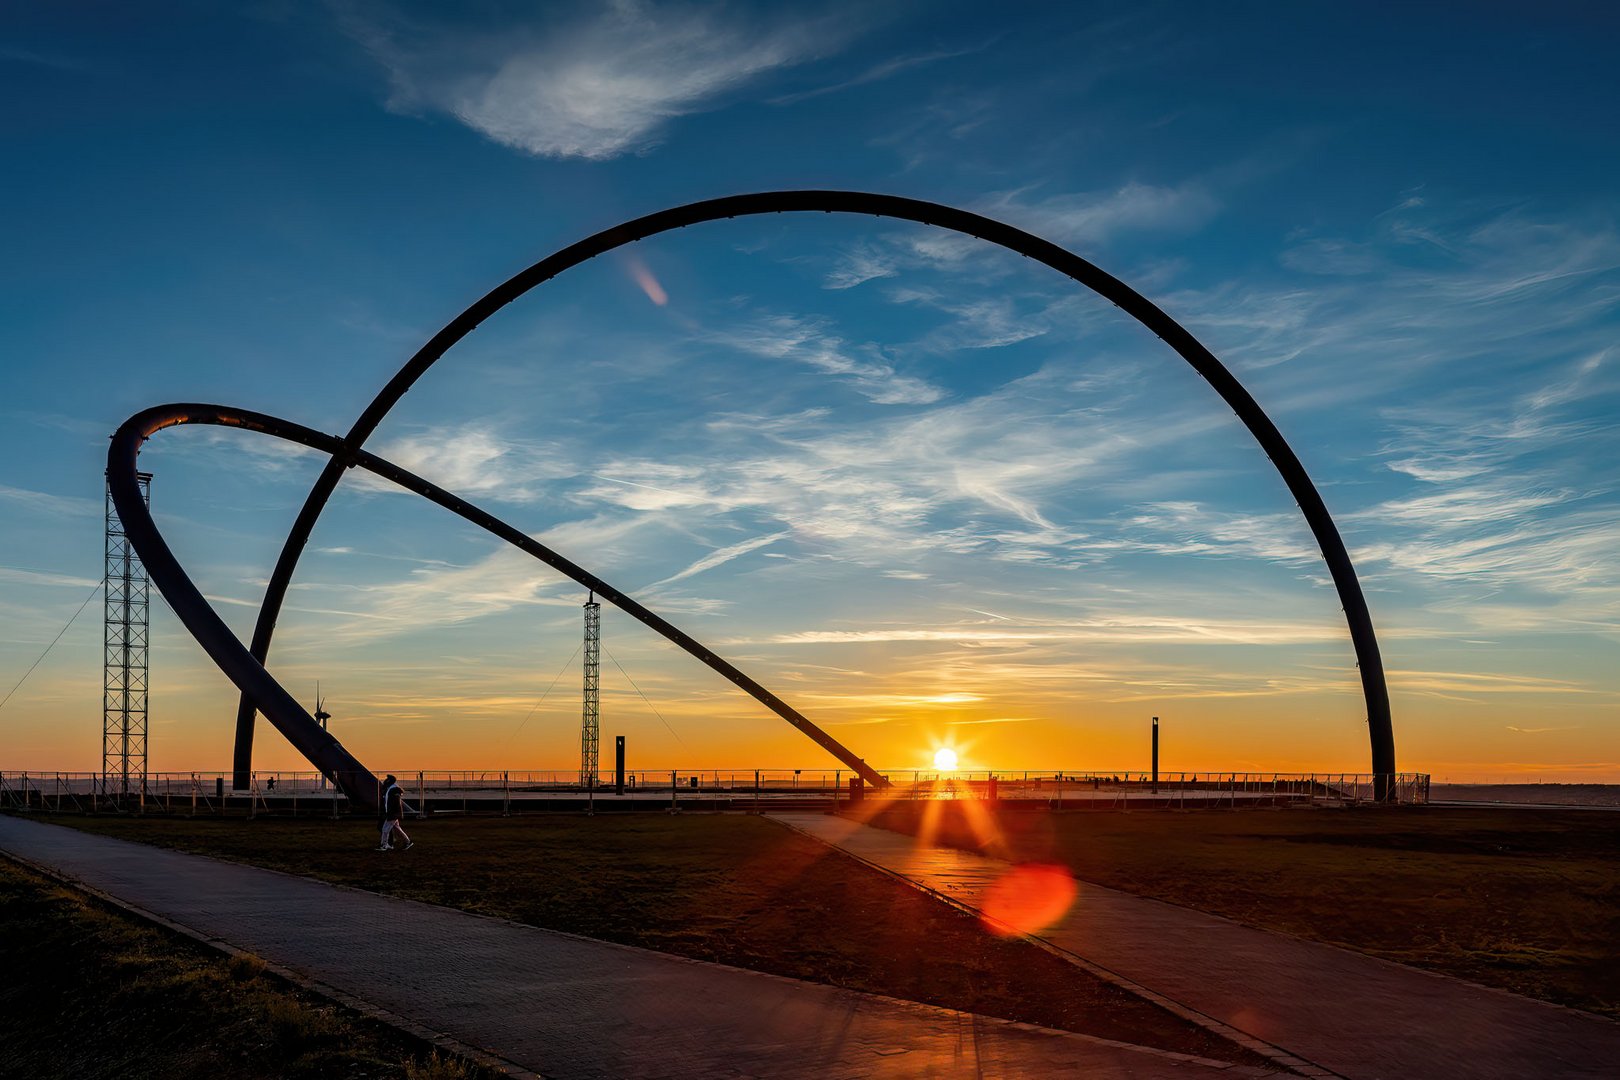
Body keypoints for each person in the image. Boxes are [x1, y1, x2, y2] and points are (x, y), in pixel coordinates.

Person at [376, 774, 413, 851]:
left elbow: (391, 804)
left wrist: (389, 813)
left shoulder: (392, 791)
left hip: (392, 814)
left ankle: (384, 845)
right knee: (397, 829)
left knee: (385, 829)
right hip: (394, 813)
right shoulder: (394, 790)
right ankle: (407, 842)